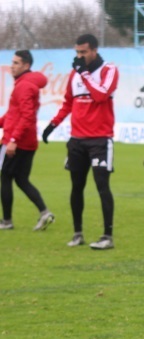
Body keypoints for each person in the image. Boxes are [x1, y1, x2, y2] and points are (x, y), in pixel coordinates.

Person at [42, 33, 119, 250]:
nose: (79, 56)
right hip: (77, 140)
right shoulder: (74, 74)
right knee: (76, 187)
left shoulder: (108, 70)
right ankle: (78, 234)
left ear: (94, 50)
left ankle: (107, 236)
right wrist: (52, 125)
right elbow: (68, 103)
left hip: (100, 140)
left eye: (83, 52)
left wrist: (84, 73)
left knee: (102, 186)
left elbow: (101, 96)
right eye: (77, 52)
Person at [0, 50, 54, 231]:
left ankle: (6, 221)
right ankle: (44, 212)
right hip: (27, 140)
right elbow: (14, 114)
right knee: (21, 179)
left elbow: (27, 116)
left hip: (18, 141)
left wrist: (13, 139)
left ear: (26, 65)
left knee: (5, 177)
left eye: (16, 63)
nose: (12, 66)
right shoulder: (26, 83)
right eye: (12, 62)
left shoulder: (24, 86)